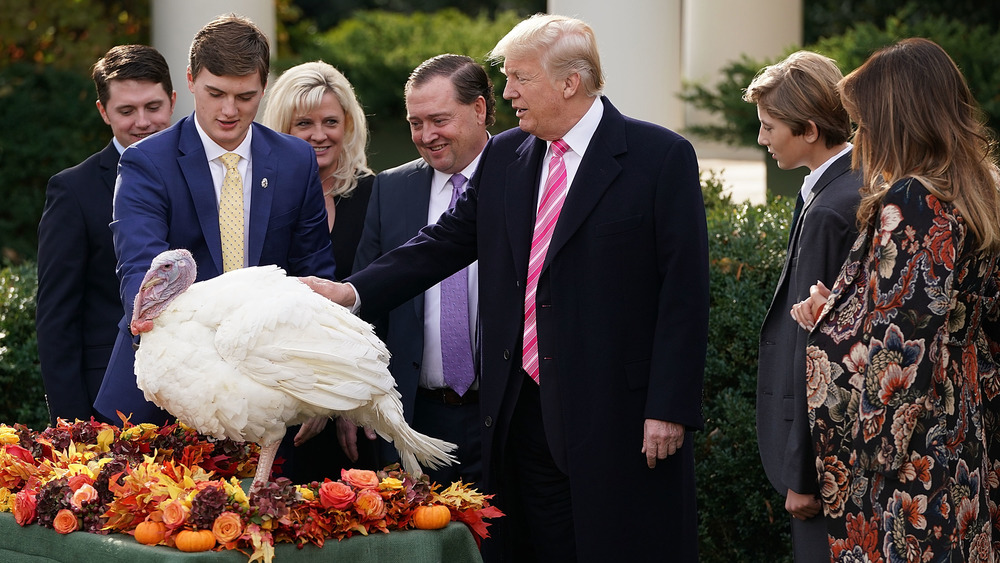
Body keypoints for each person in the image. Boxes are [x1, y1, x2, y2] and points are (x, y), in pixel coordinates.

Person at [303, 14, 709, 562]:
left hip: (620, 418)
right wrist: (351, 293)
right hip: (522, 415)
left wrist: (670, 406)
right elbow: (442, 243)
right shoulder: (507, 155)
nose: (508, 92)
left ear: (570, 82)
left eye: (519, 78)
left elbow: (683, 295)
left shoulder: (660, 157)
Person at [791, 37, 1000, 561]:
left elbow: (898, 355)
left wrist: (825, 327)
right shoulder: (980, 192)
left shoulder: (914, 200)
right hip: (968, 427)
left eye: (863, 123)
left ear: (896, 120)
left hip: (913, 453)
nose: (859, 140)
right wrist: (844, 309)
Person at [94, 14, 337, 426]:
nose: (229, 110)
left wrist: (321, 381)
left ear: (264, 87)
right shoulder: (145, 162)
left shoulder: (296, 160)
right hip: (167, 390)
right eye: (215, 93)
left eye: (245, 96)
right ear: (190, 80)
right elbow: (142, 272)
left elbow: (314, 274)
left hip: (272, 391)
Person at [353, 54, 493, 486]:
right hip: (414, 415)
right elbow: (367, 308)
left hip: (502, 415)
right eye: (416, 123)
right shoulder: (390, 189)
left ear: (480, 109)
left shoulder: (523, 178)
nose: (426, 135)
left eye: (439, 120)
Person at [744, 51, 861, 561]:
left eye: (769, 127)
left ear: (809, 129)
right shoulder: (846, 186)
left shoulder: (833, 207)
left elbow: (815, 349)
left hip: (824, 458)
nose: (762, 139)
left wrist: (803, 473)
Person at [36, 44, 176, 426]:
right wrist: (74, 426)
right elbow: (57, 319)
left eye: (153, 107)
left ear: (173, 100)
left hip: (202, 400)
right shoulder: (73, 190)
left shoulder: (208, 175)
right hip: (110, 406)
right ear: (103, 112)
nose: (143, 122)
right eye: (126, 111)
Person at [259, 60, 378, 480]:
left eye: (331, 121)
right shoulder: (258, 201)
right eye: (303, 123)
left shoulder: (377, 195)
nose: (318, 135)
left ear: (349, 124)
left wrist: (344, 398)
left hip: (359, 403)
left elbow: (384, 301)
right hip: (273, 401)